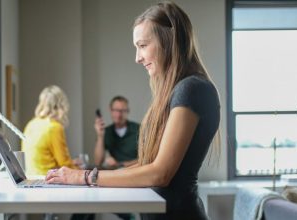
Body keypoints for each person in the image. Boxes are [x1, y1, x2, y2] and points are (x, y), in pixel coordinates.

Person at [45, 2, 220, 219]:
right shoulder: (181, 90)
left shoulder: (192, 89)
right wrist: (86, 177)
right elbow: (147, 165)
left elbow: (160, 174)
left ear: (170, 40)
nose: (137, 57)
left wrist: (85, 176)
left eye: (143, 45)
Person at [21, 85, 79, 176]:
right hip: (47, 181)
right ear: (61, 105)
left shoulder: (31, 124)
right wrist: (83, 172)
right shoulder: (54, 127)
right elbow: (65, 164)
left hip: (30, 178)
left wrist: (71, 163)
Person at [94, 96, 139, 169]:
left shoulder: (139, 129)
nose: (118, 115)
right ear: (110, 110)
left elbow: (147, 159)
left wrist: (120, 164)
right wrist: (100, 136)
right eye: (116, 110)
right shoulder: (106, 131)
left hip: (136, 171)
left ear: (128, 111)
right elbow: (98, 162)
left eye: (122, 111)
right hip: (116, 173)